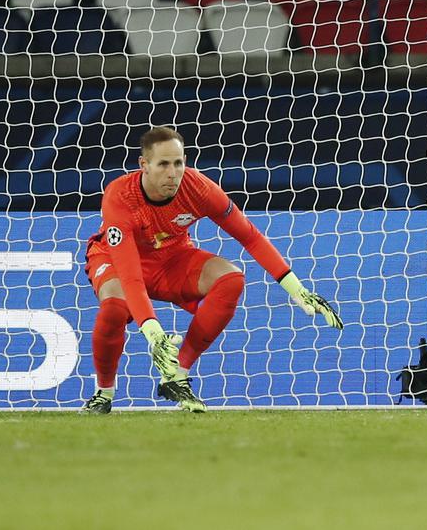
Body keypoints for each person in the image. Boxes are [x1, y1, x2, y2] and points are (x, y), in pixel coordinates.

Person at [81, 126, 343, 414]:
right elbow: (130, 274)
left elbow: (250, 236)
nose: (173, 173)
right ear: (144, 165)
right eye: (163, 164)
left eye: (178, 163)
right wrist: (153, 330)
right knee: (115, 308)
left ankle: (177, 376)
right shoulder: (120, 196)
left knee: (230, 279)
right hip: (117, 260)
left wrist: (296, 289)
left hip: (172, 259)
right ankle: (104, 393)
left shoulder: (199, 189)